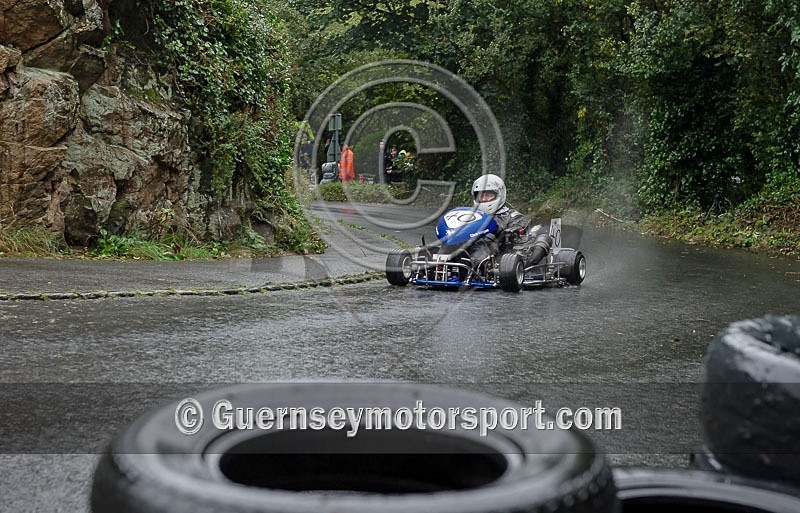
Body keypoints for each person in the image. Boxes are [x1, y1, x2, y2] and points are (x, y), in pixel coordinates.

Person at [469, 174, 550, 267]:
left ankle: (481, 265)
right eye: (480, 196)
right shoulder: (470, 217)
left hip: (503, 261)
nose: (483, 199)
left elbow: (518, 236)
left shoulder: (513, 217)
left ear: (499, 194)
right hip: (471, 254)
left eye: (488, 195)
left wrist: (497, 230)